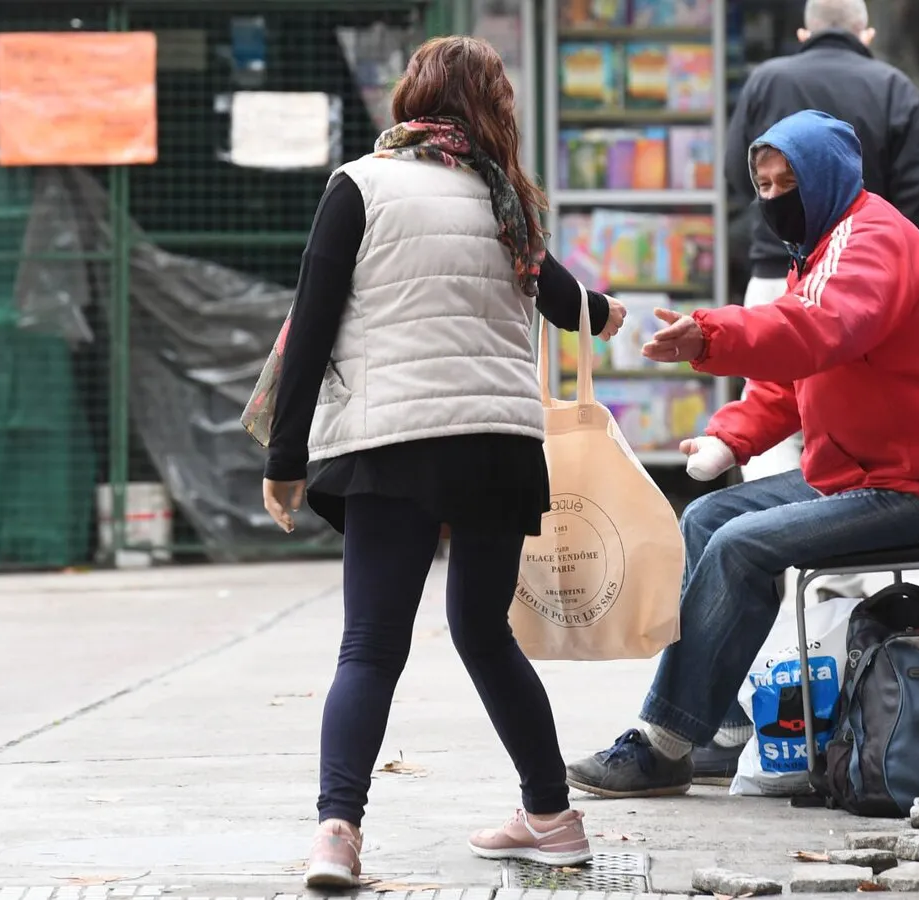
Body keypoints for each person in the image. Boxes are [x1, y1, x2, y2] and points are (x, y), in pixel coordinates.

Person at [260, 36, 626, 887]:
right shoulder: (507, 202)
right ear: (492, 107)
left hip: (395, 446)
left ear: (411, 98)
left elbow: (311, 324)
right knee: (484, 634)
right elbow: (563, 298)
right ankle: (553, 816)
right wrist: (604, 312)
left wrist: (286, 457)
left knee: (369, 648)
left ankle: (337, 834)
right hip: (499, 451)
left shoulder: (361, 186)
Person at [565, 110, 919, 800]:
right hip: (862, 474)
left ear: (827, 178)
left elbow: (818, 330)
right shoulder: (825, 247)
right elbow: (791, 376)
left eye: (786, 182)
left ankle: (664, 743)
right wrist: (731, 435)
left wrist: (711, 336)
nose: (774, 198)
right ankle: (724, 731)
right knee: (709, 519)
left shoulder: (873, 241)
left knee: (740, 545)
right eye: (763, 185)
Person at [699, 0, 919, 782]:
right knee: (741, 505)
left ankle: (778, 613)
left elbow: (742, 170)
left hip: (817, 286)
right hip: (843, 284)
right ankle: (722, 688)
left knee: (765, 502)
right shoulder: (892, 86)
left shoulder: (768, 77)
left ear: (808, 30)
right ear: (867, 31)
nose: (778, 185)